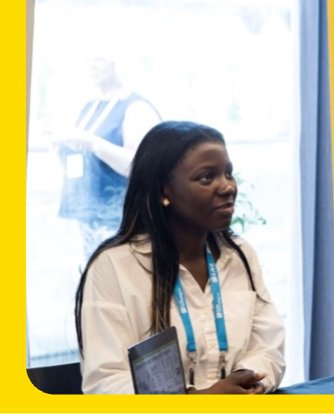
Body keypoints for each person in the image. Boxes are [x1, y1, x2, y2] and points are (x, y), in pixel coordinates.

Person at [75, 121, 285, 394]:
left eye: (228, 173)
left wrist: (246, 380)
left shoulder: (239, 255)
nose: (228, 187)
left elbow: (268, 347)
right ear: (164, 191)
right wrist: (200, 400)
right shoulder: (114, 266)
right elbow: (105, 382)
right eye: (206, 177)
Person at [54, 54, 160, 260]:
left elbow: (141, 167)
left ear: (119, 62)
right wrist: (59, 147)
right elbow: (81, 165)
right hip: (87, 217)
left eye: (99, 59)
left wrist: (94, 143)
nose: (92, 65)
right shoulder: (89, 106)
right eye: (89, 59)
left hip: (121, 220)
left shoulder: (136, 107)